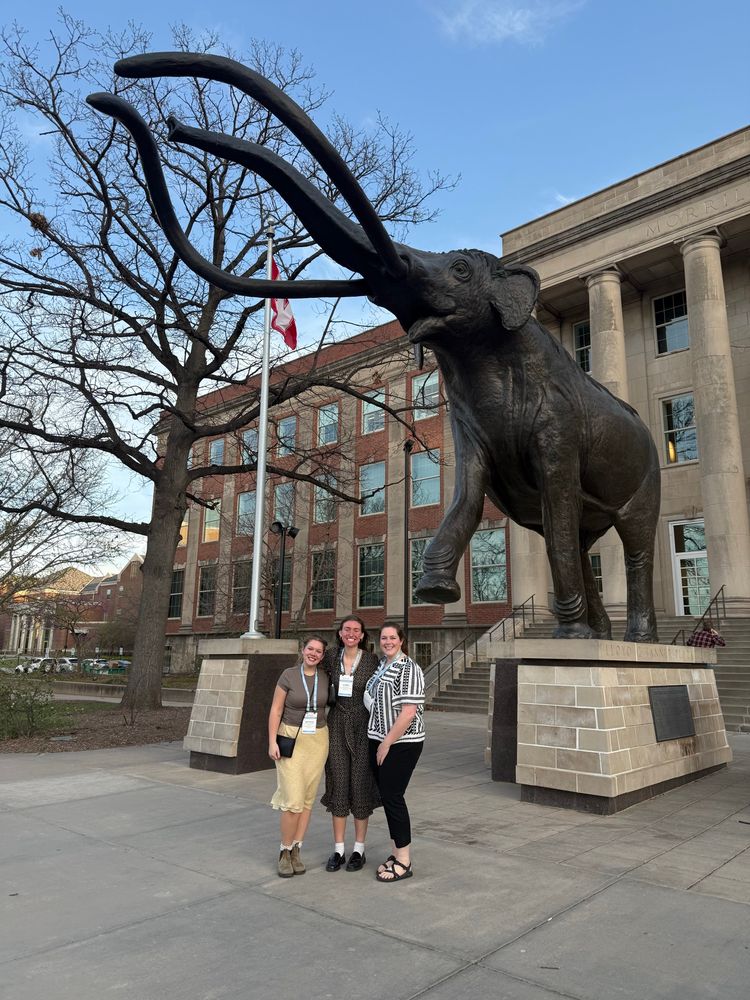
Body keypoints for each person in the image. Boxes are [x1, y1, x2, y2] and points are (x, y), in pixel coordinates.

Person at [366, 622, 425, 883]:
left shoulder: (409, 668)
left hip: (402, 743)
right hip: (378, 739)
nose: (387, 641)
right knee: (388, 798)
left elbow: (409, 712)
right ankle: (395, 852)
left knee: (393, 797)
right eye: (383, 637)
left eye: (392, 637)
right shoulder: (382, 666)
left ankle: (404, 860)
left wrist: (387, 742)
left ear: (401, 640)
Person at [320, 615, 380, 873]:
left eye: (356, 630)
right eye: (347, 629)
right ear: (340, 633)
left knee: (359, 783)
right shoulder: (330, 657)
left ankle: (359, 849)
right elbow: (316, 684)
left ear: (363, 635)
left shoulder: (371, 660)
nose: (352, 633)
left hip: (362, 726)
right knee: (339, 782)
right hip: (336, 724)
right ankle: (338, 850)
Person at [268, 635, 329, 878]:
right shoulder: (289, 675)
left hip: (318, 739)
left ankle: (296, 850)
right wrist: (272, 740)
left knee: (306, 800)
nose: (313, 653)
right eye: (310, 649)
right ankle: (284, 851)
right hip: (290, 739)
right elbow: (276, 709)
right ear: (303, 650)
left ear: (323, 656)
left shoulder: (325, 677)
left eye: (319, 651)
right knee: (292, 799)